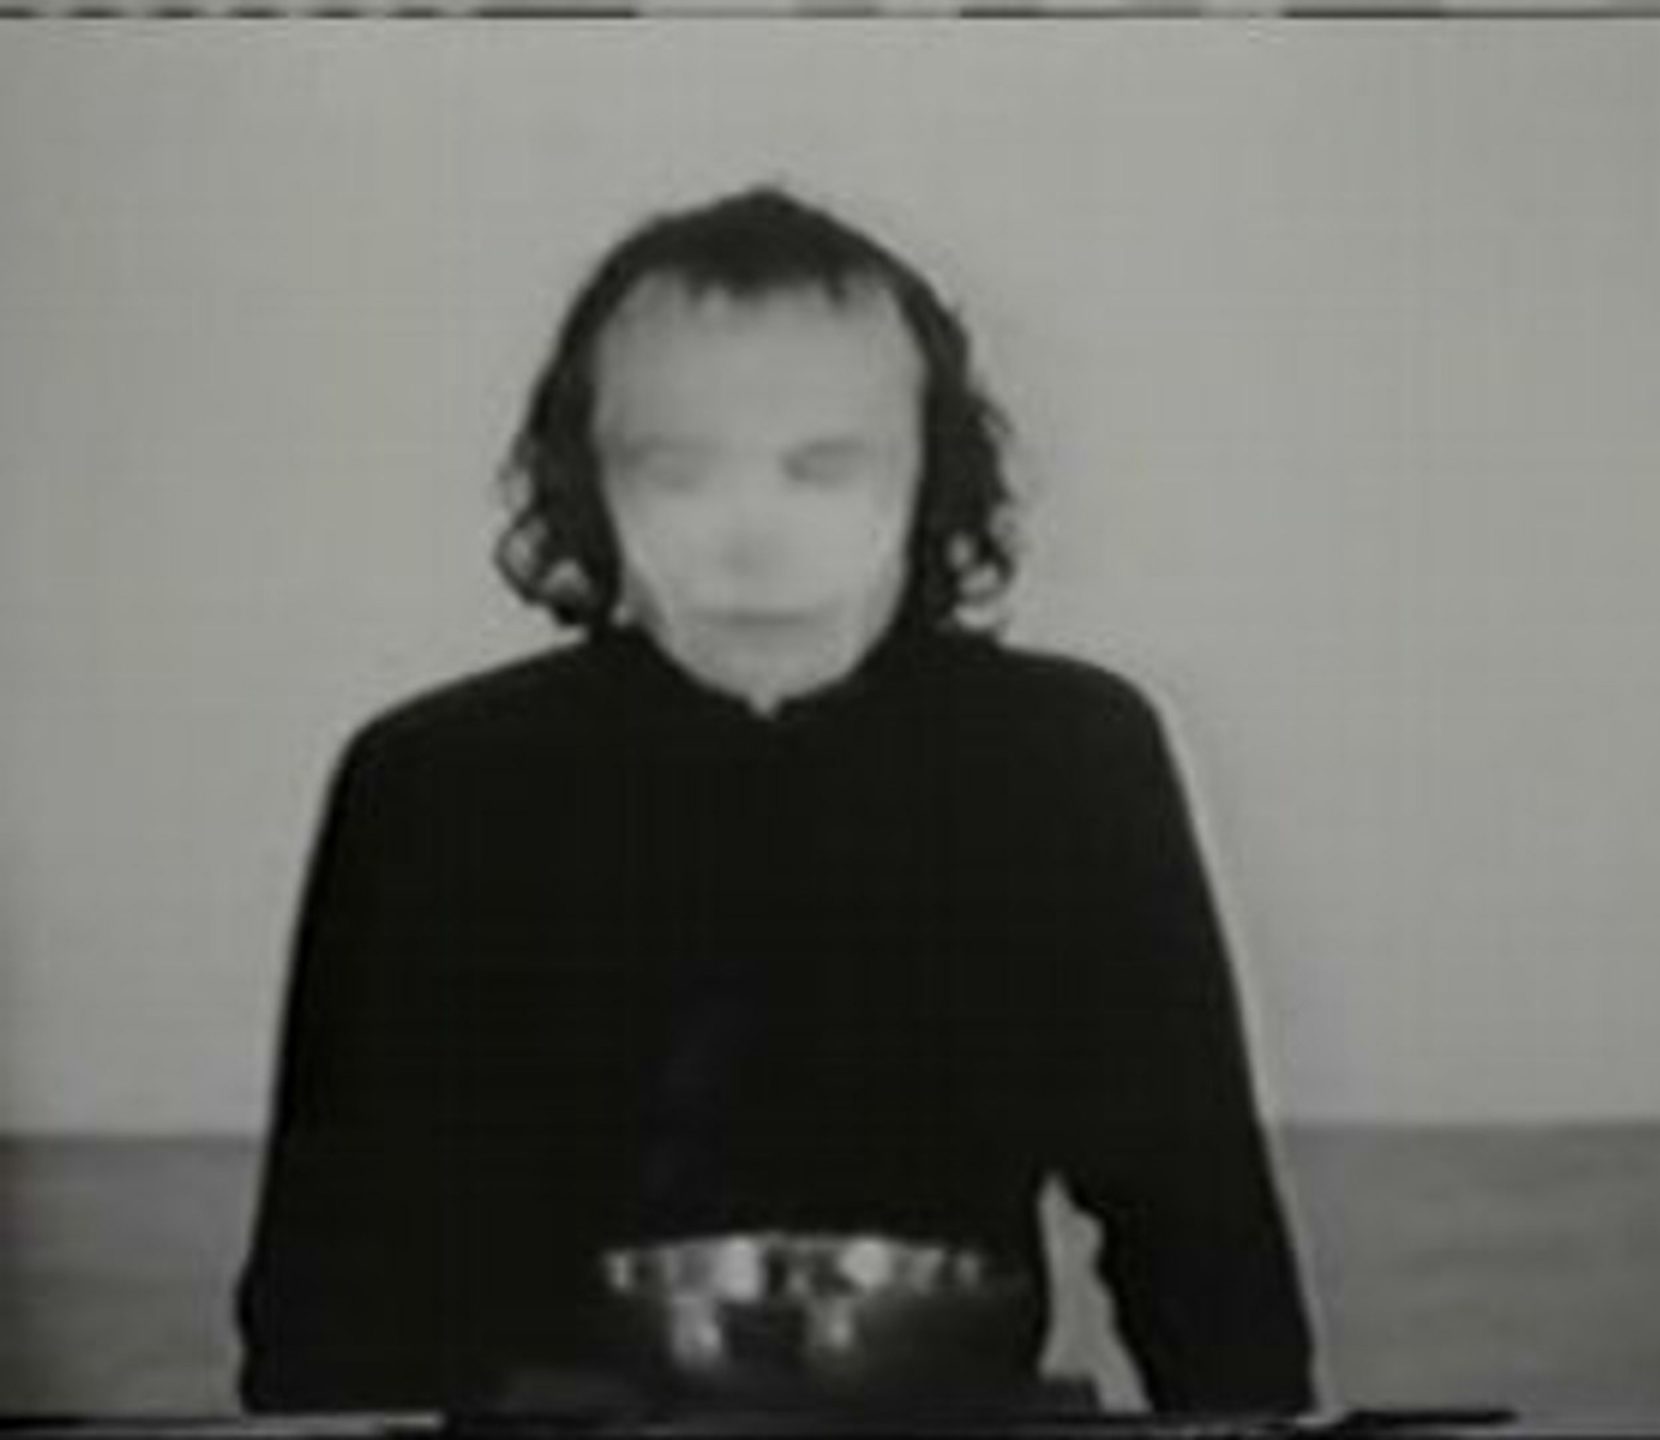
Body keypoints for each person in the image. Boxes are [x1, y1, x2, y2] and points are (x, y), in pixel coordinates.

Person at [234, 186, 1317, 1415]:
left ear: (930, 475)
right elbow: (326, 1289)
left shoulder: (1068, 760)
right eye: (676, 470)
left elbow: (1203, 1240)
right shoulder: (432, 785)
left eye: (826, 466)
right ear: (591, 484)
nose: (753, 536)